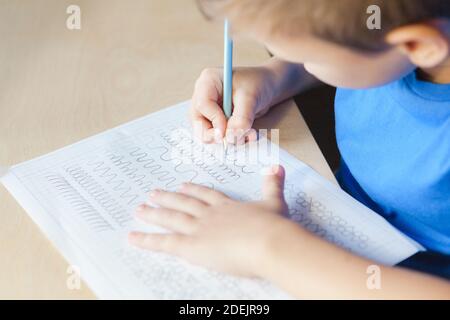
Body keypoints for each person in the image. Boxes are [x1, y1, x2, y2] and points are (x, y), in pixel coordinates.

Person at [129, 0, 450, 298]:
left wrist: (267, 247)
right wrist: (276, 76)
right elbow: (354, 44)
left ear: (418, 45)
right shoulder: (399, 36)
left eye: (310, 57)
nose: (301, 62)